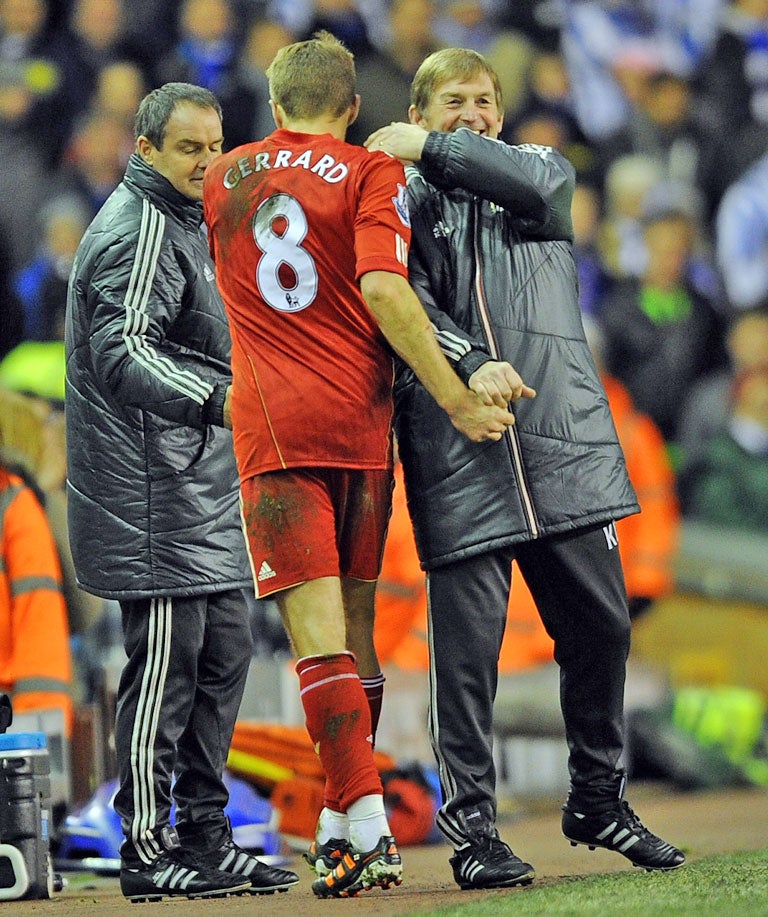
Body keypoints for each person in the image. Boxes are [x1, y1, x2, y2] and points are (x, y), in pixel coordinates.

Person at [202, 32, 518, 900]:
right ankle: (343, 826)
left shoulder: (223, 176)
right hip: (361, 422)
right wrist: (454, 393)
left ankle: (366, 823)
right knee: (353, 623)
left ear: (273, 107)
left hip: (274, 426)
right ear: (353, 108)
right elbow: (384, 287)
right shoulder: (374, 174)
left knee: (316, 641)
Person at [364, 47, 686, 889]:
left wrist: (426, 147)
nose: (472, 113)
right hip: (458, 446)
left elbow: (536, 187)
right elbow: (399, 299)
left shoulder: (539, 169)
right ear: (423, 109)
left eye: (483, 101)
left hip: (560, 441)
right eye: (453, 103)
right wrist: (469, 358)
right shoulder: (394, 200)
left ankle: (597, 798)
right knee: (464, 662)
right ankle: (472, 827)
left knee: (603, 628)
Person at [64, 81, 299, 902]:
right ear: (147, 151)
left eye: (215, 145)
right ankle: (144, 841)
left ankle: (204, 831)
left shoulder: (196, 221)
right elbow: (123, 349)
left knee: (224, 657)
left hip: (199, 482)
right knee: (164, 673)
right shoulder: (134, 230)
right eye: (190, 149)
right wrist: (221, 397)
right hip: (148, 492)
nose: (207, 162)